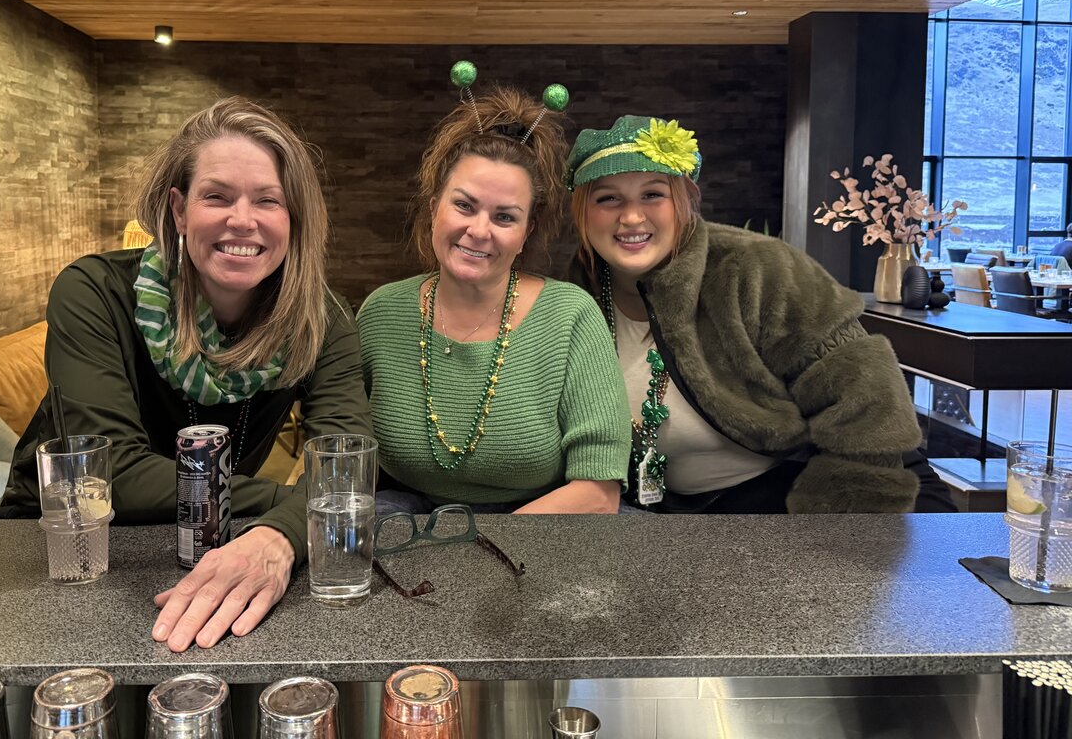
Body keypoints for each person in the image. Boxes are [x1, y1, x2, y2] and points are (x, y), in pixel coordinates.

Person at [0, 97, 371, 648]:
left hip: (220, 544)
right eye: (216, 196)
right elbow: (113, 473)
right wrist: (291, 507)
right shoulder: (93, 293)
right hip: (67, 550)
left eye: (268, 200)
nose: (242, 220)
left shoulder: (323, 319)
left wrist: (280, 536)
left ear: (293, 218)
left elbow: (346, 462)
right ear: (178, 210)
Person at [565, 114, 951, 513]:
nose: (631, 217)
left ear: (683, 201)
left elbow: (868, 409)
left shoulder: (757, 269)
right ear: (581, 212)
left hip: (799, 500)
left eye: (652, 194)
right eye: (608, 198)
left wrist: (829, 536)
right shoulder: (573, 300)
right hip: (666, 515)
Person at [357, 73, 630, 515]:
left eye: (505, 217)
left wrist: (480, 544)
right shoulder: (380, 313)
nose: (479, 230)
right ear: (434, 208)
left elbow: (598, 493)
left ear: (527, 232)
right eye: (464, 205)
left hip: (543, 528)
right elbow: (345, 451)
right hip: (405, 528)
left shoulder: (570, 317)